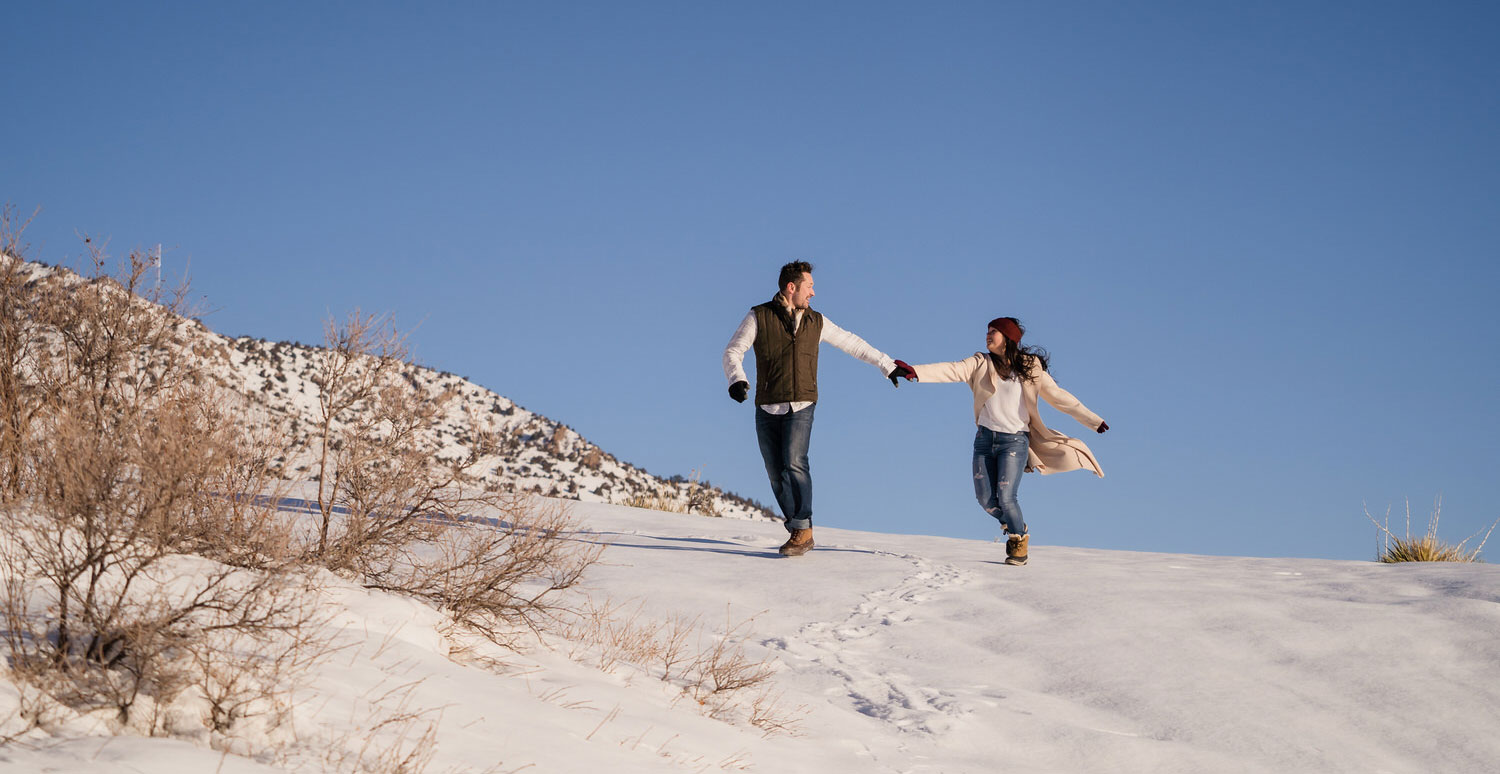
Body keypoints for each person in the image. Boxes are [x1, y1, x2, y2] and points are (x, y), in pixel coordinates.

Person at [723, 261, 915, 556]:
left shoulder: (817, 322)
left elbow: (853, 343)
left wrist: (887, 366)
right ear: (792, 287)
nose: (813, 292)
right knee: (775, 471)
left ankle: (803, 527)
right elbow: (734, 350)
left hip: (802, 402)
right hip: (767, 404)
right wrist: (737, 379)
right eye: (809, 286)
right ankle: (798, 527)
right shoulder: (759, 316)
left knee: (794, 460)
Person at [890, 317, 1106, 566]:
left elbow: (1058, 397)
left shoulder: (1029, 367)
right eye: (988, 331)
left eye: (994, 332)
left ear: (1009, 338)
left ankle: (1018, 541)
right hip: (984, 439)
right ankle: (1014, 523)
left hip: (1014, 442)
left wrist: (1092, 420)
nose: (988, 335)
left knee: (1005, 495)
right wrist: (915, 372)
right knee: (985, 500)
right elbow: (950, 369)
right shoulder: (980, 363)